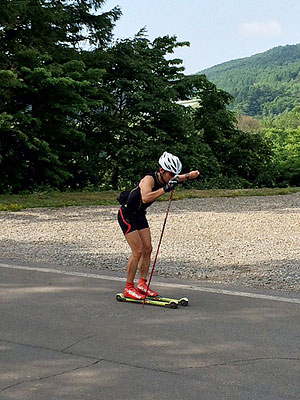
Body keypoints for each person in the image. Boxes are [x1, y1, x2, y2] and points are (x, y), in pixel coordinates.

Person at [117, 151, 200, 300]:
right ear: (161, 171)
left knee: (148, 249)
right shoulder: (149, 179)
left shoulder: (167, 177)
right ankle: (128, 287)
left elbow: (178, 178)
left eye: (173, 174)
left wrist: (190, 175)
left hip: (140, 215)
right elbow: (145, 196)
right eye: (169, 174)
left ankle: (141, 283)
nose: (171, 177)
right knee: (138, 251)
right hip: (127, 214)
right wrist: (165, 189)